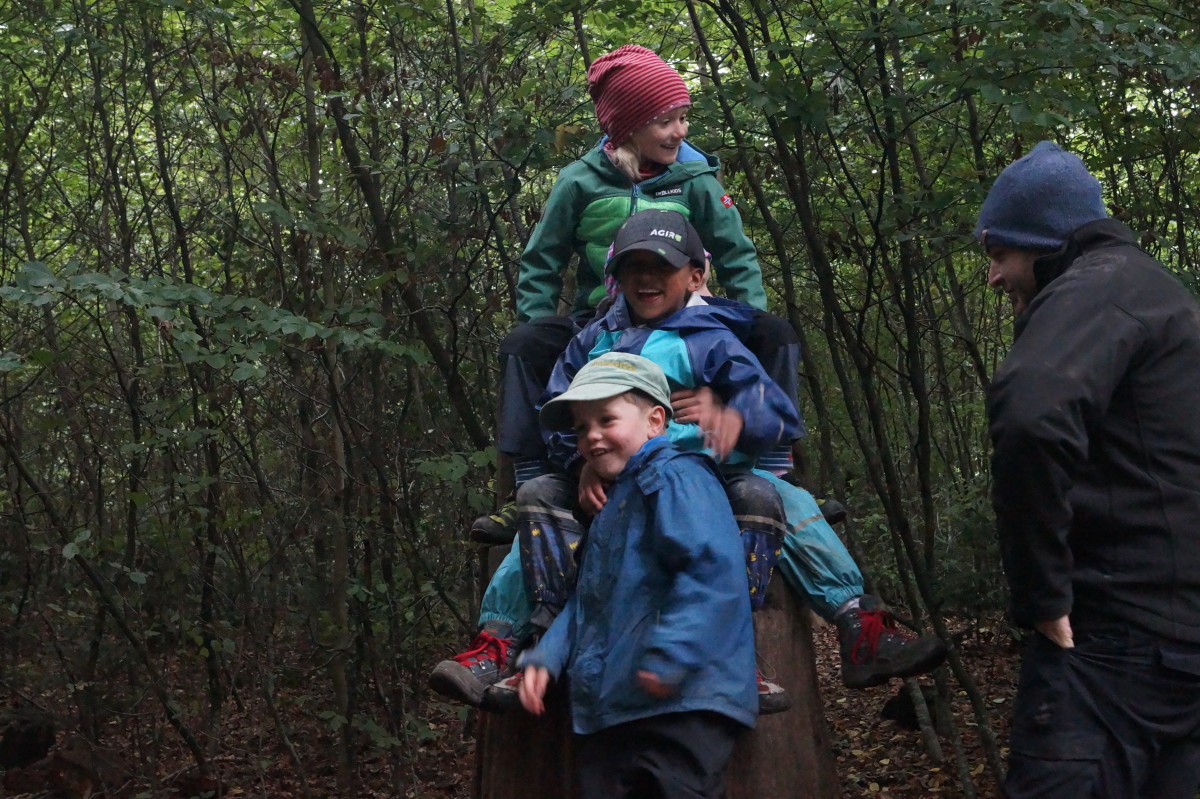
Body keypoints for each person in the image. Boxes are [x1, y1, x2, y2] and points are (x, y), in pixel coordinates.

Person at [429, 211, 947, 711]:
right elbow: (557, 412)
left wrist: (732, 414)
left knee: (776, 499)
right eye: (633, 267)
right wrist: (579, 462)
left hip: (702, 478)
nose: (646, 278)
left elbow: (776, 411)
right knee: (538, 500)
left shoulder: (713, 337)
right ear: (616, 278)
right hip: (612, 480)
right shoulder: (594, 340)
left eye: (661, 266)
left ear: (695, 276)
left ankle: (837, 626)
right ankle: (504, 644)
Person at [481, 43, 799, 532]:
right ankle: (533, 481)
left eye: (683, 117)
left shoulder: (696, 177)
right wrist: (540, 321)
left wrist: (735, 328)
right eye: (665, 121)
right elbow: (541, 261)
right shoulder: (579, 182)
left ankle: (779, 476)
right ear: (627, 126)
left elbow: (736, 254)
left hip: (691, 312)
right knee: (524, 345)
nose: (680, 131)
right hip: (601, 315)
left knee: (775, 333)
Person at [979, 140, 1200, 798]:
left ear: (1044, 243)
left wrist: (1042, 596)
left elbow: (1030, 419)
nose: (994, 277)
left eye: (1000, 254)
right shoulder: (1166, 297)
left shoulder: (1090, 290)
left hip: (1108, 651)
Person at [517, 351, 757, 799]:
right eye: (581, 428)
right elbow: (590, 599)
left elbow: (709, 570)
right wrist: (546, 658)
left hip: (681, 700)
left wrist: (671, 655)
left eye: (606, 419)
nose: (591, 436)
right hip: (614, 708)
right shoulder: (614, 503)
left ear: (655, 421)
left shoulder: (676, 477)